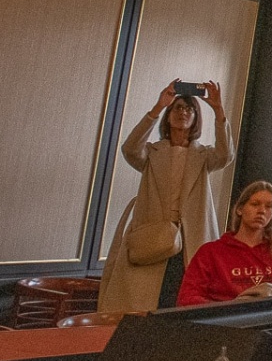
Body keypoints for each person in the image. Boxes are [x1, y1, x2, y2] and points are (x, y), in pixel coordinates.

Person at [97, 80, 231, 313]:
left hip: (191, 239)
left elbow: (225, 155)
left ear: (195, 118)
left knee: (183, 298)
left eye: (189, 109)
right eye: (177, 108)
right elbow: (129, 149)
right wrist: (159, 106)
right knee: (148, 300)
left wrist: (218, 110)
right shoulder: (152, 152)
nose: (183, 113)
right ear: (168, 115)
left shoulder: (203, 155)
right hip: (153, 236)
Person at [177, 181, 272, 315]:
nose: (261, 211)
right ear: (240, 209)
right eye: (255, 204)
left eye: (269, 206)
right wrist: (229, 310)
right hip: (228, 323)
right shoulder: (210, 252)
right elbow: (187, 298)